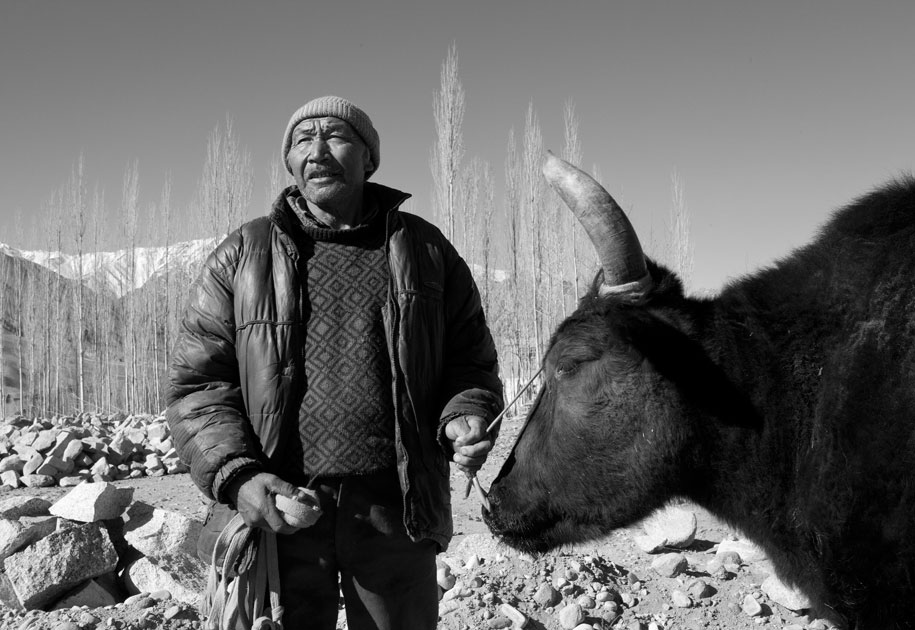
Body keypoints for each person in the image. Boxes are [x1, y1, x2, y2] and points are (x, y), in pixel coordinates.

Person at [166, 95, 503, 629]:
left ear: (369, 159)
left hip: (396, 507)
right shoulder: (242, 255)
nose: (318, 150)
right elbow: (199, 386)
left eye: (336, 136)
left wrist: (464, 412)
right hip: (281, 507)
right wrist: (238, 476)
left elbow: (471, 362)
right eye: (303, 140)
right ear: (290, 163)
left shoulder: (425, 249)